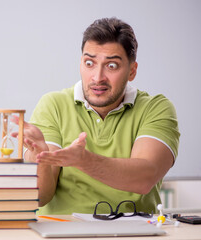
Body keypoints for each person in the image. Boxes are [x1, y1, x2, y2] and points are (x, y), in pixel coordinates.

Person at [14, 17, 180, 215]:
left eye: (111, 66)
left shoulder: (156, 108)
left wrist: (83, 160)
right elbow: (40, 197)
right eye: (89, 63)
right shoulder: (53, 105)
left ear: (132, 71)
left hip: (134, 233)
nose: (97, 77)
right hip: (63, 231)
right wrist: (39, 157)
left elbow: (144, 178)